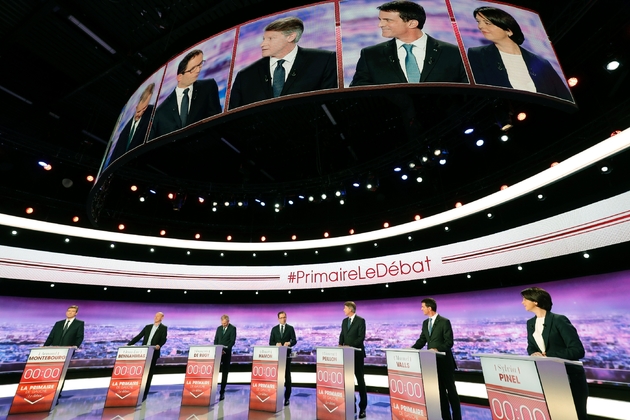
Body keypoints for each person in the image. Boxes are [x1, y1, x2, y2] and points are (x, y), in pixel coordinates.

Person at [350, 1, 468, 86]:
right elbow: (359, 92)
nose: (380, 25)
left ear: (412, 23)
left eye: (388, 20)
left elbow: (467, 92)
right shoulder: (371, 54)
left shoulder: (452, 52)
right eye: (380, 20)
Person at [228, 17, 337, 109]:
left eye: (270, 39)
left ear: (290, 37)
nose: (262, 44)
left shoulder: (323, 60)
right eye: (264, 39)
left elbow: (330, 104)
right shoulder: (245, 76)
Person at [467, 7, 572, 101]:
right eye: (478, 22)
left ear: (509, 31)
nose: (480, 26)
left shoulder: (541, 63)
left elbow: (564, 97)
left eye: (487, 23)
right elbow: (483, 94)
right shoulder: (477, 55)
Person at [521, 287, 588, 420]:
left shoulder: (559, 320)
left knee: (575, 415)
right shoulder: (530, 323)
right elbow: (531, 347)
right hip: (549, 377)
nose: (522, 302)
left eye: (525, 299)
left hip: (569, 378)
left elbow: (577, 350)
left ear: (535, 301)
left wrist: (548, 356)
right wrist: (534, 353)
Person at [150, 49, 222, 139]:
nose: (198, 71)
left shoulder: (208, 87)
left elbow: (216, 121)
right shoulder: (160, 113)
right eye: (192, 69)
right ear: (180, 77)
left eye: (199, 65)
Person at [412, 298, 461, 420]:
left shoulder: (444, 322)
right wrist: (411, 349)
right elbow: (422, 340)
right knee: (440, 394)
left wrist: (436, 349)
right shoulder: (425, 323)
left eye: (423, 306)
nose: (421, 309)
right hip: (432, 364)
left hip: (445, 362)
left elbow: (449, 343)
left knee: (451, 392)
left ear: (429, 308)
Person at [109, 83, 155, 163]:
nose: (140, 114)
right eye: (139, 111)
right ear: (136, 107)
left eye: (144, 110)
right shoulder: (124, 131)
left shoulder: (150, 114)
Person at [127, 312, 168, 401]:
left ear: (162, 317)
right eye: (155, 316)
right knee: (140, 373)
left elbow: (163, 339)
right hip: (143, 352)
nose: (156, 317)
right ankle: (136, 392)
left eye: (158, 316)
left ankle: (144, 394)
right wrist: (128, 345)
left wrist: (159, 345)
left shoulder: (163, 328)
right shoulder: (148, 327)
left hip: (153, 353)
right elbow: (139, 336)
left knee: (149, 374)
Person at [338, 301, 367, 419]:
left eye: (345, 308)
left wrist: (350, 346)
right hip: (347, 355)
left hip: (357, 355)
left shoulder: (361, 321)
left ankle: (363, 408)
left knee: (360, 381)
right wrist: (340, 344)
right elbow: (342, 334)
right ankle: (352, 404)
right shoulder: (344, 321)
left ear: (350, 309)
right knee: (348, 382)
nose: (343, 310)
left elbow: (361, 337)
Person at [269, 311, 298, 406]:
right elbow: (271, 342)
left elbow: (294, 340)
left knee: (287, 377)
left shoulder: (290, 328)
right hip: (276, 356)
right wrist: (275, 344)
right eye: (281, 318)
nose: (283, 319)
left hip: (287, 356)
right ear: (278, 319)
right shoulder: (274, 329)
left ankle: (287, 398)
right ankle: (276, 397)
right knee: (277, 377)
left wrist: (289, 343)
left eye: (284, 317)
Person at [214, 314, 237, 401]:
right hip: (218, 353)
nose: (223, 325)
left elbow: (232, 341)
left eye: (225, 323)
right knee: (215, 372)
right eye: (222, 323)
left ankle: (222, 392)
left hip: (226, 353)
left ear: (228, 321)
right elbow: (216, 340)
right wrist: (218, 349)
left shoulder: (232, 328)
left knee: (224, 373)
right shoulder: (219, 328)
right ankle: (213, 390)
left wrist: (225, 350)